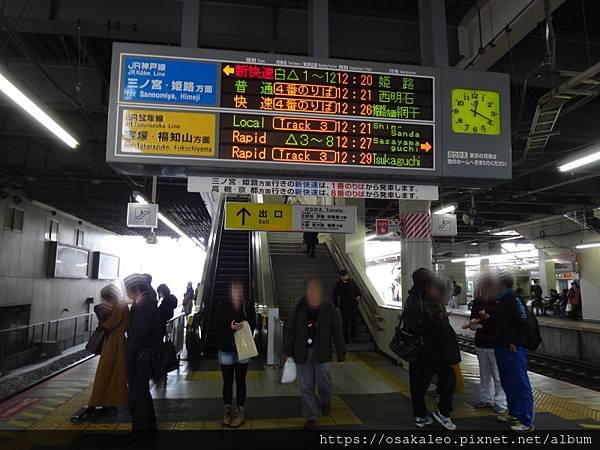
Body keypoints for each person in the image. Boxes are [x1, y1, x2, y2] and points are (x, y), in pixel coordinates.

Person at [284, 279, 346, 429]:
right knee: (306, 387)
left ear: (321, 294)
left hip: (322, 353)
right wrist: (288, 351)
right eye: (310, 291)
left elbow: (337, 332)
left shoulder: (329, 309)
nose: (313, 294)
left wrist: (341, 354)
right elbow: (291, 330)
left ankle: (325, 400)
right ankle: (310, 417)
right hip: (302, 353)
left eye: (316, 291)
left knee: (324, 382)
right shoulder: (300, 308)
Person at [404, 268, 460, 430]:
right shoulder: (427, 300)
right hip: (430, 348)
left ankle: (420, 416)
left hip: (414, 347)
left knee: (417, 383)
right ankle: (443, 412)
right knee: (449, 377)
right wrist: (442, 316)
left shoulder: (412, 297)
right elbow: (438, 325)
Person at [123, 273, 163, 442]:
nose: (126, 293)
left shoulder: (143, 305)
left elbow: (138, 335)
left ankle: (141, 430)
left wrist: (128, 357)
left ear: (135, 289)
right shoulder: (146, 302)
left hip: (140, 357)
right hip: (144, 355)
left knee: (137, 394)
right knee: (142, 393)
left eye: (128, 289)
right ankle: (148, 425)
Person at [494, 272, 535, 433]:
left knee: (520, 383)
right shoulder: (501, 300)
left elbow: (527, 323)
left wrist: (515, 341)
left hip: (513, 349)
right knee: (507, 381)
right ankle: (514, 413)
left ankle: (526, 421)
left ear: (502, 284)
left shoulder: (515, 299)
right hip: (501, 347)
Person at [216, 280, 257, 428]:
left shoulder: (247, 306)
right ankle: (227, 411)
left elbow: (253, 324)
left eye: (240, 289)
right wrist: (230, 327)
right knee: (227, 382)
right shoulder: (222, 305)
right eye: (235, 289)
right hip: (226, 349)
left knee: (241, 381)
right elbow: (217, 327)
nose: (238, 292)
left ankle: (240, 412)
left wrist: (244, 327)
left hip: (243, 350)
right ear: (230, 291)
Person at [464, 273, 507, 414]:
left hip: (495, 344)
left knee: (498, 374)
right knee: (484, 373)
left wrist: (484, 323)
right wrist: (475, 324)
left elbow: (501, 324)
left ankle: (500, 402)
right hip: (481, 343)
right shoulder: (478, 302)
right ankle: (485, 399)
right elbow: (473, 320)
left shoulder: (500, 302)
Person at [86, 284, 128, 418]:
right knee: (114, 375)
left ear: (111, 296)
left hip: (113, 344)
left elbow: (110, 325)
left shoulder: (118, 306)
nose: (106, 302)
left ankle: (97, 403)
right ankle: (110, 402)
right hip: (118, 343)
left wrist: (101, 320)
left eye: (106, 298)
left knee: (104, 374)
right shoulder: (123, 304)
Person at [332, 269, 361, 343]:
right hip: (344, 305)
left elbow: (357, 290)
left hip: (353, 304)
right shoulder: (338, 284)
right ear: (340, 276)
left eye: (346, 276)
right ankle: (345, 338)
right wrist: (336, 305)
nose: (345, 277)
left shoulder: (352, 282)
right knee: (345, 321)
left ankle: (353, 336)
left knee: (353, 320)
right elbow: (334, 295)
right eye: (343, 276)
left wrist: (358, 296)